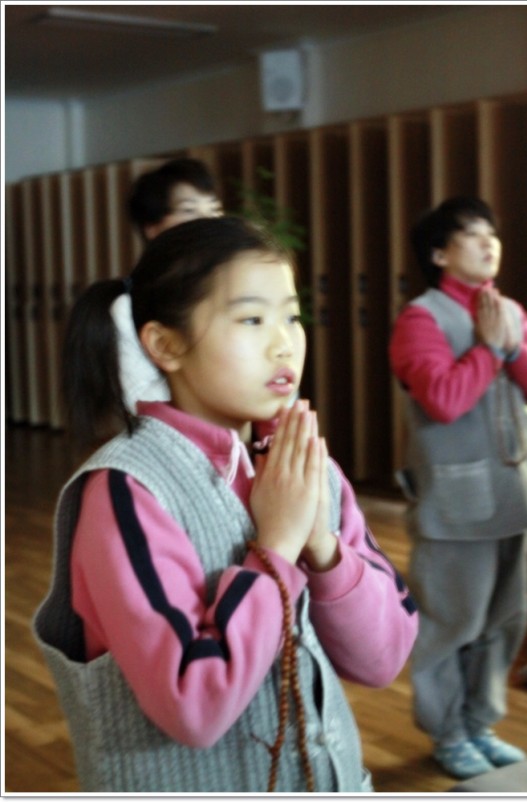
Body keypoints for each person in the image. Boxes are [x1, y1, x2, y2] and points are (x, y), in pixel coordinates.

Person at [34, 216, 418, 793]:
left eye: (292, 316)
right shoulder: (126, 490)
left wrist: (321, 546)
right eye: (252, 319)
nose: (284, 342)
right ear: (166, 345)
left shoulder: (305, 467)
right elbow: (192, 705)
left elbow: (382, 659)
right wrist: (278, 547)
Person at [389, 197, 527, 781]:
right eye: (472, 234)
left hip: (514, 496)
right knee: (452, 623)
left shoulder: (510, 311)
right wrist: (489, 348)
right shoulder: (420, 319)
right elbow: (443, 400)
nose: (488, 242)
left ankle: (479, 723)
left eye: (491, 233)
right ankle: (447, 733)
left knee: (504, 622)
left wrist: (514, 345)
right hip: (455, 504)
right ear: (440, 253)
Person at [112, 157, 225, 420]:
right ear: (152, 228)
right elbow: (140, 398)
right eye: (189, 210)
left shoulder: (232, 289)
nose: (208, 220)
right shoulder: (128, 306)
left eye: (214, 208)